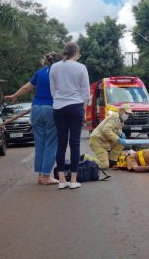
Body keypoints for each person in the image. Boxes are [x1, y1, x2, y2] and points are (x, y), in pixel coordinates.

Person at [4, 52, 63, 185]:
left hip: (36, 109)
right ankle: (46, 175)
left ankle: (41, 174)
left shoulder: (40, 72)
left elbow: (27, 87)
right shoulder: (59, 74)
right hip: (51, 109)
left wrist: (14, 95)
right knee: (51, 143)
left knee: (40, 143)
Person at [50, 42, 90, 190]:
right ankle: (73, 179)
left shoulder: (54, 67)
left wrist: (59, 100)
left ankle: (61, 180)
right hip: (76, 106)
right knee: (75, 143)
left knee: (61, 143)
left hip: (59, 107)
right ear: (76, 52)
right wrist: (83, 107)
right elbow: (85, 91)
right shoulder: (81, 67)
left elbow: (52, 90)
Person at [82, 104, 132, 169]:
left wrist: (120, 133)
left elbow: (117, 129)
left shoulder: (120, 121)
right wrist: (118, 138)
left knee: (121, 143)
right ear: (121, 111)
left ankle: (112, 160)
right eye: (126, 113)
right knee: (104, 165)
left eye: (128, 114)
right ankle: (85, 157)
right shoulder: (114, 118)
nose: (127, 115)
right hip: (97, 141)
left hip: (104, 141)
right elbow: (106, 130)